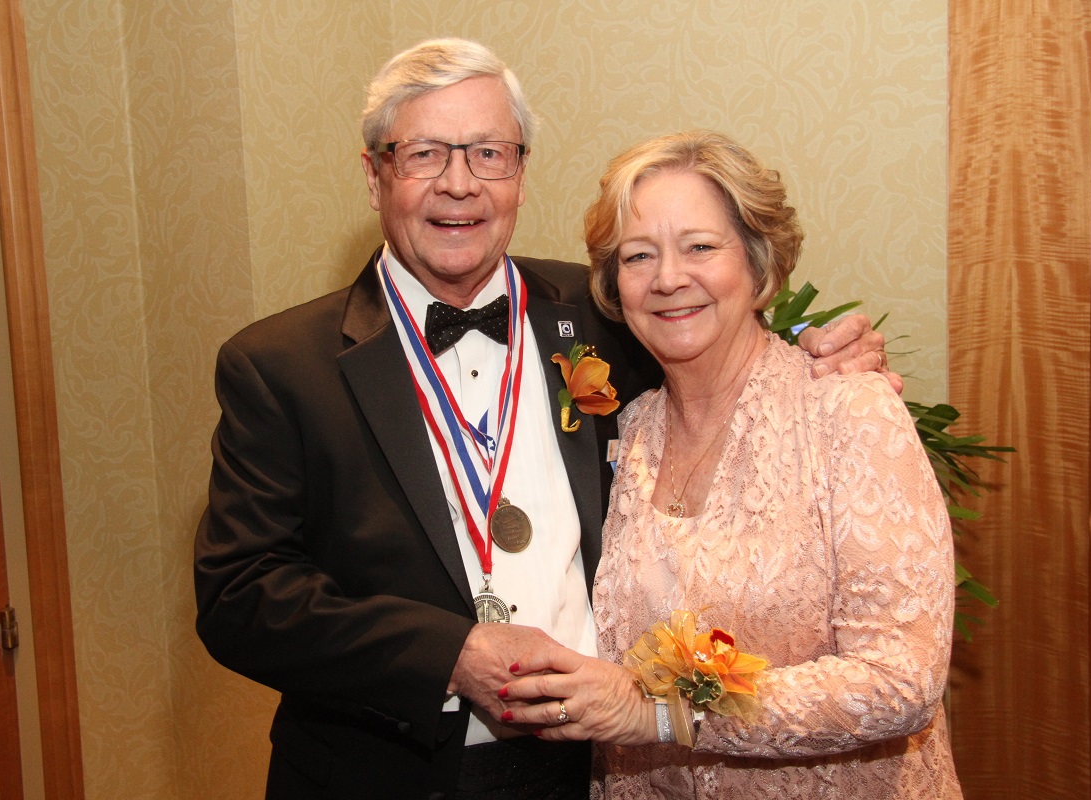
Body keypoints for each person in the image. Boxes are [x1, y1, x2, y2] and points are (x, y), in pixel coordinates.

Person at [194, 41, 891, 800]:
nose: (459, 184)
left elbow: (716, 331)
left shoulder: (603, 312)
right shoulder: (281, 366)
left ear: (520, 175)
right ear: (374, 176)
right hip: (381, 773)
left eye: (488, 153)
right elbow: (240, 596)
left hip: (592, 768)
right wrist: (449, 655)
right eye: (424, 154)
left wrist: (816, 354)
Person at [498, 130, 961, 798]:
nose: (667, 279)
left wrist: (664, 713)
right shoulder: (620, 429)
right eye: (638, 255)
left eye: (700, 247)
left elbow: (902, 679)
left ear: (758, 264)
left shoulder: (847, 411)